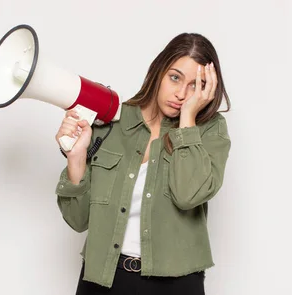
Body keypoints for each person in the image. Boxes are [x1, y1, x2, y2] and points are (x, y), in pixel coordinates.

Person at [54, 32, 231, 295]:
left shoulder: (210, 130)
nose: (182, 93)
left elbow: (187, 196)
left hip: (176, 284)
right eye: (175, 77)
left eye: (196, 85)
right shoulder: (112, 120)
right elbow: (77, 220)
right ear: (158, 71)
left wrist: (188, 121)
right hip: (102, 279)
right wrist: (77, 158)